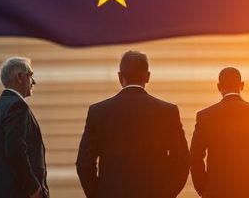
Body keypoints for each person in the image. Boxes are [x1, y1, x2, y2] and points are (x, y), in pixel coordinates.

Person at [75, 50, 189, 198]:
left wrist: (98, 194)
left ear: (119, 77)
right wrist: (166, 193)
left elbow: (84, 164)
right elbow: (182, 161)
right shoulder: (168, 112)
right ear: (148, 76)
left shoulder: (98, 112)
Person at [189, 67, 249, 198]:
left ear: (218, 86)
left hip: (216, 193)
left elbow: (195, 157)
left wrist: (204, 190)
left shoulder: (205, 116)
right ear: (242, 85)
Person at [0, 57, 49, 198]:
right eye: (31, 75)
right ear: (20, 77)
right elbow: (15, 149)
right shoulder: (17, 106)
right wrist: (33, 187)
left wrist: (3, 178)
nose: (34, 81)